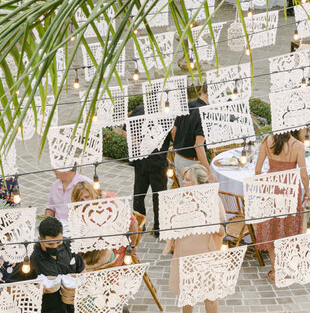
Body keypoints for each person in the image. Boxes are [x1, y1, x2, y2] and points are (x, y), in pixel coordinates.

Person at [165, 167, 227, 313]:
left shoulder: (213, 199)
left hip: (206, 251)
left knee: (211, 295)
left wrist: (206, 218)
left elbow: (222, 231)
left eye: (188, 180)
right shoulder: (180, 200)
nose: (183, 183)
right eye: (184, 179)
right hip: (185, 250)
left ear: (200, 182)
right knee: (187, 293)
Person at [253, 129, 310, 282]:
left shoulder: (267, 141)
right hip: (290, 189)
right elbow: (304, 174)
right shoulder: (297, 145)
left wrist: (266, 185)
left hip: (271, 188)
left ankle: (275, 270)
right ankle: (287, 269)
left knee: (273, 228)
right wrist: (307, 192)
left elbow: (257, 170)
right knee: (288, 227)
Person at [125, 103, 170, 235]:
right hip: (158, 162)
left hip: (141, 162)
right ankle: (158, 228)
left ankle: (139, 225)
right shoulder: (166, 114)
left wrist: (137, 144)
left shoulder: (138, 109)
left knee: (139, 194)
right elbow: (174, 133)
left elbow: (124, 130)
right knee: (159, 197)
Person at [71, 180, 138, 262]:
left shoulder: (110, 201)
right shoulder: (82, 210)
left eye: (87, 197)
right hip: (96, 249)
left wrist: (132, 246)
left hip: (116, 248)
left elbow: (133, 223)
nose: (85, 201)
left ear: (92, 193)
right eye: (81, 200)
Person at [172, 83, 213, 180]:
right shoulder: (206, 114)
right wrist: (209, 172)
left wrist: (181, 146)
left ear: (201, 90)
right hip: (192, 164)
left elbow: (173, 131)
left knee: (184, 189)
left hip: (178, 158)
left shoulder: (187, 105)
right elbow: (198, 145)